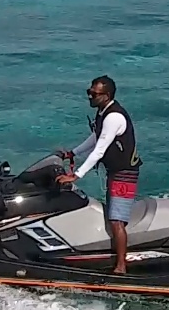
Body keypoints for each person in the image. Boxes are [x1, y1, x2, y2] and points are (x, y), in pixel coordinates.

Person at [55, 75, 139, 274]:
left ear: (106, 95)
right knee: (112, 216)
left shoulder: (114, 116)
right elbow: (95, 137)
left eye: (94, 94)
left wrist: (76, 175)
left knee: (117, 220)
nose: (90, 97)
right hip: (115, 171)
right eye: (88, 92)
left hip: (124, 174)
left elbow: (100, 149)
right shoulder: (103, 112)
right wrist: (72, 153)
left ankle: (121, 267)